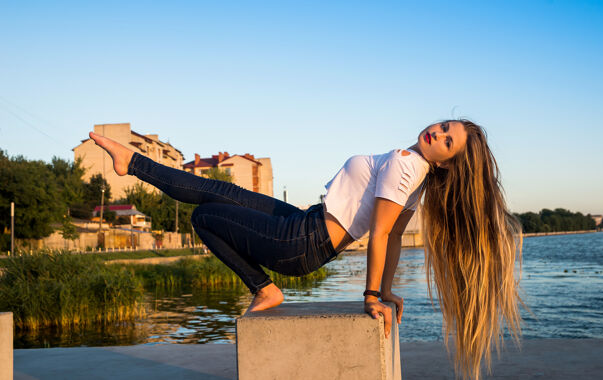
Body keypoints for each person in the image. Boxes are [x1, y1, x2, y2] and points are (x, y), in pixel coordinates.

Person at [89, 118, 522, 380]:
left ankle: (263, 287)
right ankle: (133, 162)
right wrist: (386, 291)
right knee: (218, 189)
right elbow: (389, 238)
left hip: (300, 241)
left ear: (447, 162)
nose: (438, 133)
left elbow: (382, 236)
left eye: (448, 141)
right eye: (445, 127)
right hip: (302, 223)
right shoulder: (414, 172)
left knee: (205, 216)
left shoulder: (406, 168)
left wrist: (373, 295)